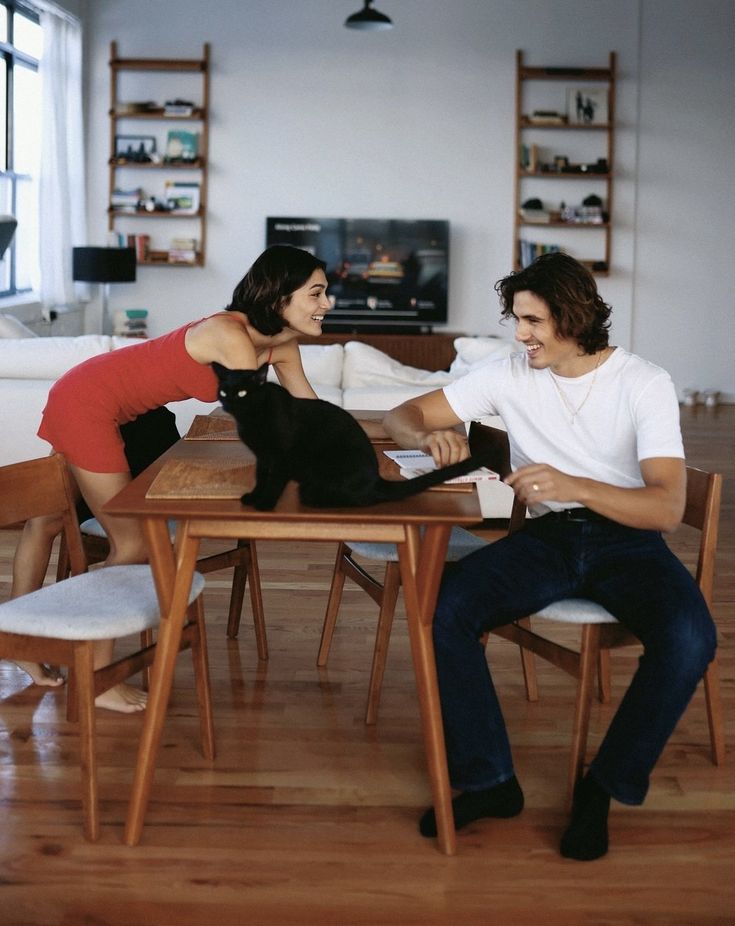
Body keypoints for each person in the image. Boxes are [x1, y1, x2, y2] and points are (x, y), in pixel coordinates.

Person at [382, 252, 716, 860]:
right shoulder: (508, 374)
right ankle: (489, 781)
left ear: (575, 316)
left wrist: (576, 485)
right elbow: (403, 413)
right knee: (444, 606)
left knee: (692, 638)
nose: (521, 334)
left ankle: (602, 787)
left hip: (628, 541)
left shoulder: (644, 382)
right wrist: (426, 434)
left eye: (533, 321)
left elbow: (667, 507)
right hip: (549, 540)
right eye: (516, 318)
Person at [11, 244, 331, 712]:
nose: (327, 305)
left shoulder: (281, 347)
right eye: (316, 293)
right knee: (129, 541)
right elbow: (258, 422)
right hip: (88, 402)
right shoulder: (230, 334)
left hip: (133, 415)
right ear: (279, 294)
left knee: (48, 520)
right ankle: (95, 678)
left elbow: (312, 415)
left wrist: (371, 437)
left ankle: (20, 645)